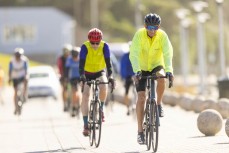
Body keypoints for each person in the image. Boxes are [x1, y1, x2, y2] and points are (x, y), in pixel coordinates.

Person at [129, 13, 174, 144]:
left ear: (158, 27)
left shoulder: (162, 36)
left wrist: (169, 71)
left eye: (155, 27)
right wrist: (137, 71)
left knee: (161, 77)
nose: (152, 30)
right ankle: (140, 131)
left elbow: (167, 54)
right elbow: (134, 54)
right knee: (141, 97)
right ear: (145, 26)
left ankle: (158, 104)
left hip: (156, 65)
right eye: (149, 27)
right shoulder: (139, 35)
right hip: (141, 68)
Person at [79, 28, 115, 136]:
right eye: (93, 43)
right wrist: (81, 76)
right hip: (87, 73)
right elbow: (81, 64)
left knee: (104, 86)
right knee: (85, 96)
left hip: (100, 71)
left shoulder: (105, 46)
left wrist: (111, 76)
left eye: (97, 43)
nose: (95, 45)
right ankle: (85, 125)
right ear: (89, 41)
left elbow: (109, 63)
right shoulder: (85, 47)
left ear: (100, 41)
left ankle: (101, 108)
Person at [8, 48, 29, 114]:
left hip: (22, 76)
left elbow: (26, 70)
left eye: (19, 56)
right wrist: (9, 78)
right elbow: (10, 70)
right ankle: (15, 107)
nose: (18, 57)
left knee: (26, 80)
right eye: (17, 56)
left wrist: (26, 76)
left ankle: (24, 95)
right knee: (15, 92)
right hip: (15, 77)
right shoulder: (12, 61)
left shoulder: (24, 60)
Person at [65, 47, 81, 117]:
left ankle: (79, 105)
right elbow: (67, 69)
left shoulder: (81, 59)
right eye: (74, 57)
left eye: (76, 57)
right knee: (74, 92)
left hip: (80, 77)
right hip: (73, 78)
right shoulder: (69, 59)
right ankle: (74, 106)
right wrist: (66, 78)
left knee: (81, 92)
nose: (75, 58)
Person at [120, 42, 135, 116]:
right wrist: (124, 77)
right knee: (126, 92)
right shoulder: (125, 56)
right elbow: (123, 68)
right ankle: (127, 107)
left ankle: (136, 104)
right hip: (128, 77)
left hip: (136, 76)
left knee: (139, 91)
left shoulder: (137, 55)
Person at [57, 44, 72, 112]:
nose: (66, 53)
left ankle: (71, 101)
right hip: (64, 75)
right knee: (64, 89)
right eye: (65, 52)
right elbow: (60, 68)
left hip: (71, 75)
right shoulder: (61, 58)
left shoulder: (72, 57)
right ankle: (65, 103)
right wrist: (62, 75)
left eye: (67, 52)